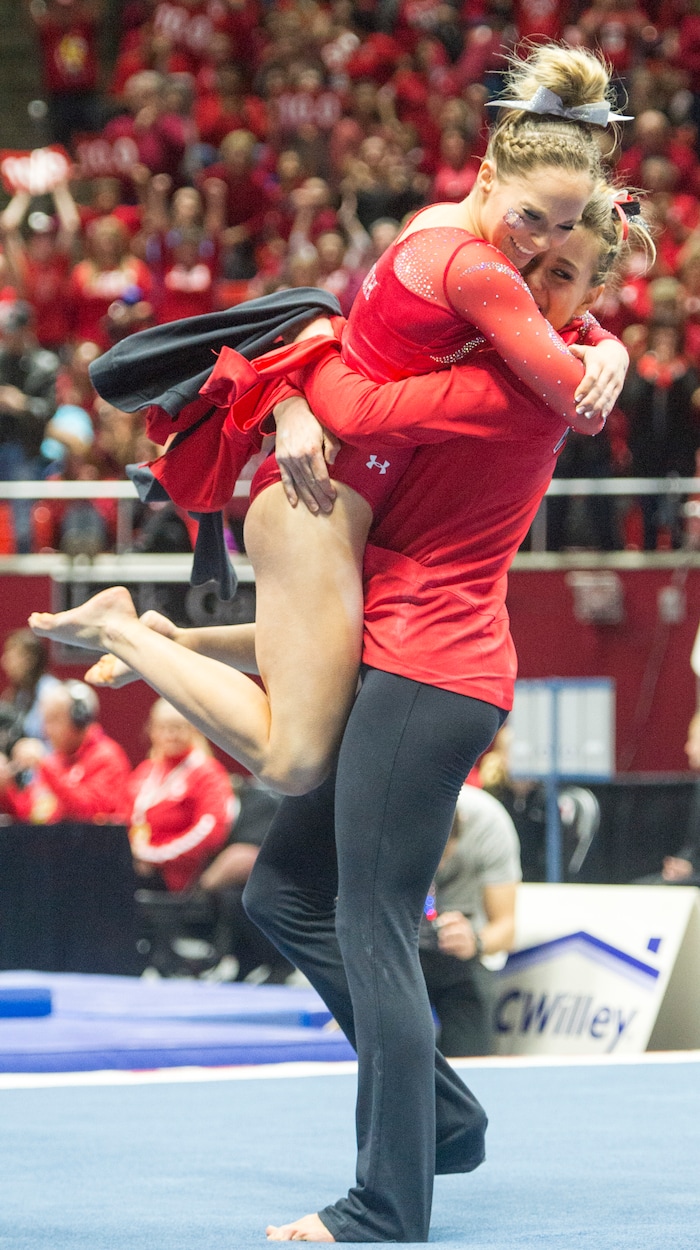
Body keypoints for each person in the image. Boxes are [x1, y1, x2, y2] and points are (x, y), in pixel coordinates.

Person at [29, 178, 652, 1243]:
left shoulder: (517, 390)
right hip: (398, 657)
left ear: (593, 298)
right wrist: (196, 637)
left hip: (431, 678)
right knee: (285, 895)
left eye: (566, 280)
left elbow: (356, 405)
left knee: (369, 921)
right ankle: (444, 1112)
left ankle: (383, 1203)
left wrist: (304, 350)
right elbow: (335, 611)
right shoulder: (494, 352)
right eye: (532, 265)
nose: (538, 286)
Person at [75, 45, 627, 800]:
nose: (537, 244)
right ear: (488, 176)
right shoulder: (478, 268)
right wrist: (610, 352)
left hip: (330, 492)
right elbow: (573, 403)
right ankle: (123, 631)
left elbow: (343, 331)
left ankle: (161, 638)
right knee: (293, 763)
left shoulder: (441, 228)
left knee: (325, 694)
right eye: (531, 219)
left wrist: (604, 338)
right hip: (318, 494)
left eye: (560, 232)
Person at [419, 783, 521, 1058]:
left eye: (443, 855)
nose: (437, 867)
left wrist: (475, 942)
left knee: (471, 1058)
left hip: (461, 960)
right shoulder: (379, 822)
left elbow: (507, 929)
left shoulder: (489, 826)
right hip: (400, 956)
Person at [127, 697, 234, 892]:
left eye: (177, 727)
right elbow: (122, 814)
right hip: (138, 867)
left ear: (193, 729)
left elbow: (210, 832)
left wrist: (154, 856)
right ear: (151, 731)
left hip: (177, 880)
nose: (170, 735)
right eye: (163, 728)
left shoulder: (207, 772)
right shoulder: (146, 770)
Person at [0, 681, 130, 825]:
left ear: (79, 719)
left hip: (93, 846)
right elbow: (33, 814)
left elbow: (88, 811)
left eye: (53, 720)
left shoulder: (108, 757)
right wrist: (6, 789)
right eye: (45, 721)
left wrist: (44, 765)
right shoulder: (55, 760)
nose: (46, 731)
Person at [0, 629, 61, 755]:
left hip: (48, 770)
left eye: (11, 656)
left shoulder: (52, 693)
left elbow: (65, 746)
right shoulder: (19, 694)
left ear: (30, 659)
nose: (4, 661)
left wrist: (41, 753)